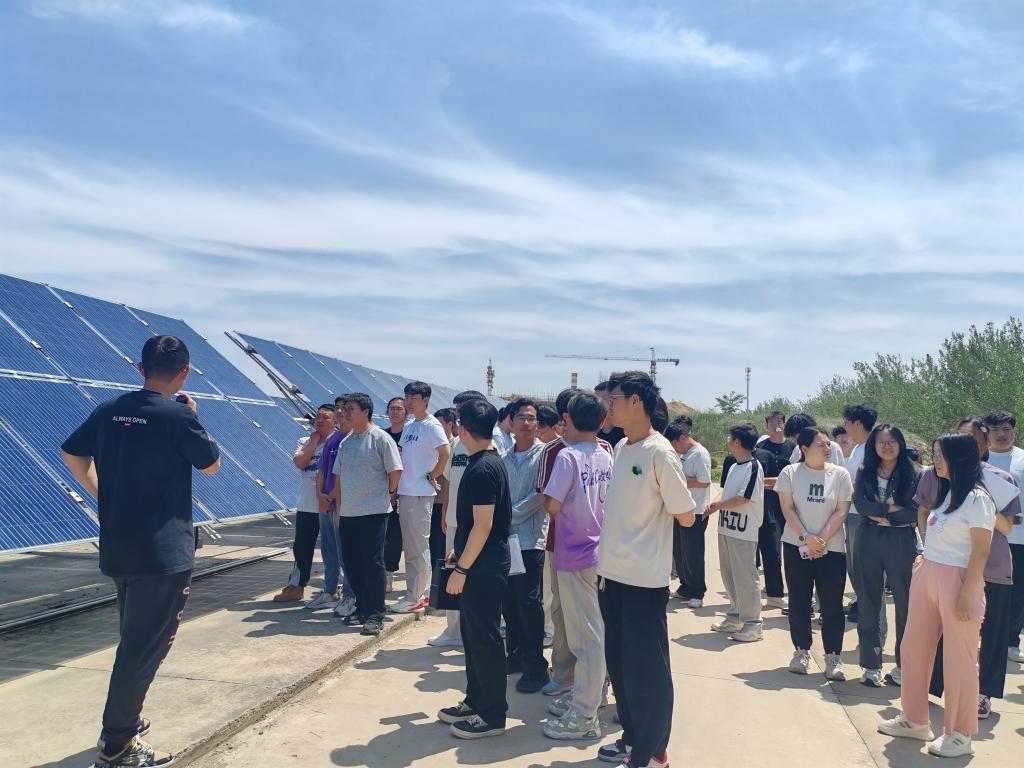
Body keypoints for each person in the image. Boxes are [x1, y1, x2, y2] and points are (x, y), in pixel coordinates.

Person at [61, 336, 220, 768]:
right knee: (144, 648)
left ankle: (125, 718)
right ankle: (118, 745)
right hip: (162, 554)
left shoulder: (109, 410)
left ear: (140, 368)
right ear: (184, 372)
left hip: (120, 546)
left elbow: (71, 453)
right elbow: (210, 464)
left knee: (134, 641)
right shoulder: (178, 416)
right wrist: (192, 417)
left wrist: (102, 495)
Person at [596, 371, 695, 768]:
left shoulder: (660, 453)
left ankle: (653, 753)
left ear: (635, 401)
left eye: (614, 399)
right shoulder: (622, 447)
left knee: (647, 670)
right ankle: (633, 738)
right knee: (620, 665)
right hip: (612, 574)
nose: (609, 407)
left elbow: (686, 514)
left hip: (643, 579)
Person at [879, 432, 994, 758]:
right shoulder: (946, 493)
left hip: (959, 581)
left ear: (960, 458)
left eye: (941, 454)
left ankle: (960, 734)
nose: (936, 461)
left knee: (959, 661)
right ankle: (915, 719)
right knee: (912, 648)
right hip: (929, 572)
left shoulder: (977, 499)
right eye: (934, 454)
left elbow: (981, 551)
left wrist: (967, 593)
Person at [921, 417, 1019, 719]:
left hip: (992, 566)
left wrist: (982, 501)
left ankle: (983, 693)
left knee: (992, 634)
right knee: (944, 629)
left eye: (974, 439)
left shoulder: (1000, 479)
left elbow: (1007, 527)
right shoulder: (937, 475)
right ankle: (935, 685)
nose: (968, 445)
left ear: (983, 444)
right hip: (949, 566)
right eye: (961, 438)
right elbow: (924, 511)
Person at [437, 398, 512, 740]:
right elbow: (476, 525)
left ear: (463, 429)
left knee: (485, 639)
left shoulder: (483, 468)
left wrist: (462, 570)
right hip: (478, 561)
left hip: (483, 568)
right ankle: (475, 700)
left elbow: (484, 525)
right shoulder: (485, 461)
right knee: (473, 636)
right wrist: (460, 551)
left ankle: (492, 715)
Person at [541, 392, 612, 740]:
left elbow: (552, 505)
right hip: (599, 552)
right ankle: (587, 695)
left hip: (572, 553)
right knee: (593, 630)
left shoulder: (568, 457)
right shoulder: (605, 455)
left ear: (567, 419)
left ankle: (585, 713)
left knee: (586, 638)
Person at [775, 427, 851, 680]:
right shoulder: (790, 473)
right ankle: (801, 651)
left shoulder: (840, 474)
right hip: (796, 545)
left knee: (832, 604)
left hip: (832, 548)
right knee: (799, 600)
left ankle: (833, 656)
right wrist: (806, 537)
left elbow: (841, 511)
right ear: (804, 448)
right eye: (821, 444)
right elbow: (787, 508)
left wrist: (821, 541)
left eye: (828, 444)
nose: (828, 448)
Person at [851, 424, 921, 688]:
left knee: (906, 604)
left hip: (901, 541)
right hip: (869, 538)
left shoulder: (915, 473)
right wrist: (891, 509)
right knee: (868, 602)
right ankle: (871, 666)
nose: (887, 446)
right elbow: (861, 505)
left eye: (892, 441)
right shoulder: (865, 470)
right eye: (881, 442)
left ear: (900, 443)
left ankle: (903, 666)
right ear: (874, 445)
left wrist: (882, 514)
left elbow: (915, 511)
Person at [332, 393, 403, 636]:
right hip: (349, 513)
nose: (345, 414)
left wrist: (387, 493)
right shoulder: (347, 442)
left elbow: (395, 472)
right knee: (353, 564)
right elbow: (339, 478)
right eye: (344, 409)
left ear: (365, 411)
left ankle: (376, 613)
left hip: (373, 512)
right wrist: (340, 510)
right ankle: (362, 607)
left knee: (373, 563)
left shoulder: (381, 438)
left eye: (350, 409)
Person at [427, 391, 490, 648]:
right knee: (451, 576)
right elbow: (449, 483)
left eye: (461, 410)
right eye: (456, 411)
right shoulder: (456, 446)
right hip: (454, 521)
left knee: (473, 579)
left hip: (476, 524)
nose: (457, 416)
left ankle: (472, 631)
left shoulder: (489, 445)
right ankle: (453, 631)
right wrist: (445, 512)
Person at [501, 398, 550, 693]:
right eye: (521, 417)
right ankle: (515, 655)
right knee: (509, 601)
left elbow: (541, 495)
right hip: (506, 539)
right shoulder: (504, 457)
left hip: (530, 540)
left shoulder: (545, 456)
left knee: (529, 602)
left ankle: (536, 666)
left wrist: (508, 514)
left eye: (532, 418)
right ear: (511, 422)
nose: (527, 423)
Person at [393, 382, 451, 613]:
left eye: (413, 398)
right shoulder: (410, 425)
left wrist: (432, 476)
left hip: (419, 494)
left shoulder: (432, 426)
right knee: (412, 547)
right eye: (406, 397)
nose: (408, 402)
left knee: (417, 548)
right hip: (407, 491)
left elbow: (445, 453)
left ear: (425, 400)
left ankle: (415, 597)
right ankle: (420, 593)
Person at [272, 404, 336, 602]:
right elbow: (300, 462)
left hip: (330, 504)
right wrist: (314, 441)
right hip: (307, 504)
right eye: (318, 417)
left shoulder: (340, 442)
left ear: (335, 421)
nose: (319, 420)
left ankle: (337, 586)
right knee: (302, 547)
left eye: (325, 417)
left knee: (333, 548)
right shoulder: (305, 440)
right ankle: (296, 586)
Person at [708, 423, 765, 642]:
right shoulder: (733, 466)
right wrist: (716, 504)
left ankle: (753, 624)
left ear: (738, 442)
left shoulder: (753, 466)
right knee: (729, 574)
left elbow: (744, 497)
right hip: (726, 528)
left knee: (746, 577)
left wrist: (718, 506)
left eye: (730, 437)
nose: (728, 441)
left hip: (743, 530)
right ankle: (735, 616)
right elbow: (725, 492)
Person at [983, 410, 1024, 664]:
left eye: (1006, 429)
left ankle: (1011, 641)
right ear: (986, 433)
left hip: (1018, 538)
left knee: (1017, 593)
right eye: (995, 430)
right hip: (982, 536)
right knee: (982, 588)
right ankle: (982, 636)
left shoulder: (1021, 459)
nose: (1001, 434)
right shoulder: (980, 458)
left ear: (1014, 432)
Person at [665, 417, 712, 608]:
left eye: (674, 445)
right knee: (679, 551)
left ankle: (697, 592)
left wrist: (679, 480)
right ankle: (685, 586)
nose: (675, 449)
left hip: (696, 511)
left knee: (693, 553)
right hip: (680, 508)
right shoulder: (684, 453)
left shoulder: (700, 454)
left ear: (682, 438)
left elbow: (705, 482)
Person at [842, 403, 879, 623]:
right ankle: (861, 602)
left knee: (862, 564)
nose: (844, 426)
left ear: (857, 423)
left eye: (846, 422)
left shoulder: (873, 448)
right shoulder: (857, 448)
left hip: (863, 514)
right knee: (853, 563)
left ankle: (868, 609)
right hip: (851, 511)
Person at [319, 396, 356, 617]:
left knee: (345, 554)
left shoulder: (353, 439)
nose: (341, 412)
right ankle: (329, 590)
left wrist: (331, 496)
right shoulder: (332, 439)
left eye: (345, 409)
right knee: (328, 551)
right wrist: (320, 495)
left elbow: (345, 475)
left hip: (342, 504)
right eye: (338, 409)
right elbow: (322, 470)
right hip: (325, 503)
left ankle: (350, 595)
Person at [756, 410, 793, 611]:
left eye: (779, 421)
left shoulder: (793, 447)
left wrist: (773, 482)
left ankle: (794, 587)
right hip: (769, 505)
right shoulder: (761, 448)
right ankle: (775, 591)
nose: (776, 424)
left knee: (793, 548)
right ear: (766, 426)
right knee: (772, 549)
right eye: (771, 422)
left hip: (792, 504)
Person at [429, 407, 458, 576]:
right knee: (433, 546)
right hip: (431, 501)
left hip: (444, 503)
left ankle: (442, 579)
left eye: (439, 424)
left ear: (449, 424)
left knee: (442, 546)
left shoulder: (455, 446)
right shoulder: (433, 446)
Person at [383, 396, 407, 593]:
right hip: (383, 492)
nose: (395, 412)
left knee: (395, 538)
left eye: (399, 408)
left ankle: (389, 574)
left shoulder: (411, 436)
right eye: (392, 408)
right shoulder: (383, 436)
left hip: (405, 493)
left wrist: (396, 491)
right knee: (381, 536)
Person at [594, 380, 626, 447]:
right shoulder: (591, 432)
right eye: (595, 400)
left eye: (604, 399)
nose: (598, 404)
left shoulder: (625, 432)